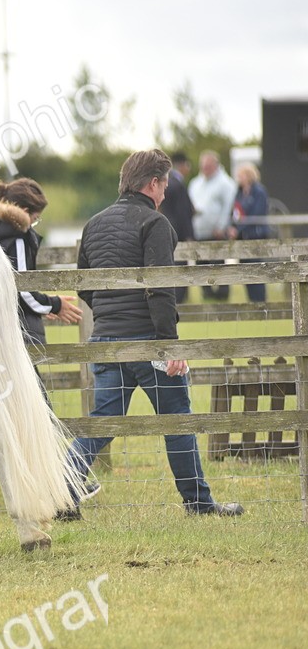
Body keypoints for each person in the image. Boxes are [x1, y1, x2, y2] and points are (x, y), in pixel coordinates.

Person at [60, 148, 243, 519]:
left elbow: (84, 286)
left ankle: (62, 490)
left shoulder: (93, 224)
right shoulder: (156, 224)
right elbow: (161, 288)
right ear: (154, 183)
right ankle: (198, 502)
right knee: (178, 419)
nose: (166, 193)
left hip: (105, 341)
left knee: (103, 422)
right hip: (148, 341)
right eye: (165, 185)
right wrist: (168, 345)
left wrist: (111, 314)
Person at [0, 178, 83, 510]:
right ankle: (61, 485)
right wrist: (53, 304)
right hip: (6, 336)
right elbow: (21, 288)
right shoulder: (17, 233)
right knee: (38, 405)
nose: (35, 223)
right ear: (24, 211)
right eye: (36, 216)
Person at [188, 150, 235, 301]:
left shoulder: (225, 183)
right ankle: (207, 293)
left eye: (208, 166)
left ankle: (222, 294)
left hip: (216, 232)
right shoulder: (195, 183)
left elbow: (228, 207)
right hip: (199, 231)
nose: (205, 169)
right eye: (203, 166)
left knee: (218, 263)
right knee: (201, 263)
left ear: (216, 165)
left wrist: (222, 226)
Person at [227, 162, 272, 303]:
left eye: (241, 175)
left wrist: (238, 229)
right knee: (245, 269)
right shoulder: (239, 192)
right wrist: (232, 227)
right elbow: (235, 212)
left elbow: (256, 215)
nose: (239, 178)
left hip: (255, 236)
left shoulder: (259, 192)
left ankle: (260, 300)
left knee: (257, 268)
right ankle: (251, 300)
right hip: (242, 238)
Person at [159, 151, 195, 303]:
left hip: (167, 230)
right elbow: (182, 213)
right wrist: (189, 235)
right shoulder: (178, 184)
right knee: (181, 266)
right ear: (183, 165)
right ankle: (179, 298)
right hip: (178, 233)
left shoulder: (168, 182)